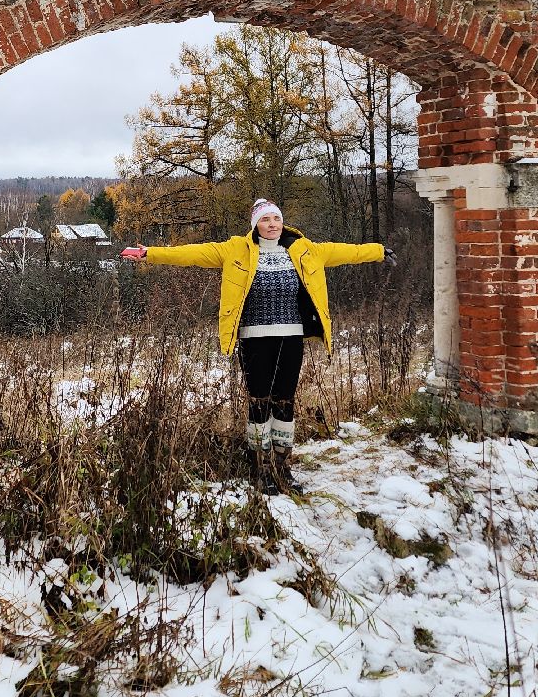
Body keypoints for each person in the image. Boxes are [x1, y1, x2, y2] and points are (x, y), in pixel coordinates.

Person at [120, 199, 386, 493]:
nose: (272, 224)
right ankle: (261, 470)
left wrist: (379, 251)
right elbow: (191, 254)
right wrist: (149, 254)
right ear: (255, 225)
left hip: (291, 337)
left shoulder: (305, 249)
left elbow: (347, 251)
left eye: (276, 218)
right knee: (259, 403)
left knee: (284, 403)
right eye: (265, 220)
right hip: (253, 338)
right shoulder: (235, 250)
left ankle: (283, 468)